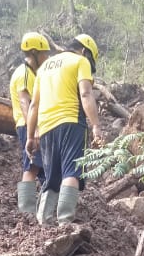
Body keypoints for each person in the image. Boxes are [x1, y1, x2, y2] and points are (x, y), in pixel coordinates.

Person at [25, 33, 103, 225]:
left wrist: (30, 136)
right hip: (71, 122)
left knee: (51, 177)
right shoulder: (79, 61)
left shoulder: (44, 67)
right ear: (84, 51)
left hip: (46, 128)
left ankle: (43, 221)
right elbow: (85, 94)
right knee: (72, 172)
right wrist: (96, 127)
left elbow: (34, 105)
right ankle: (65, 222)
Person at [9, 31, 51, 217]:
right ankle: (26, 211)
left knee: (40, 167)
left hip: (31, 125)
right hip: (28, 125)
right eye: (43, 53)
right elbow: (25, 102)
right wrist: (33, 132)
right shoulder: (24, 74)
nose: (46, 57)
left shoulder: (32, 73)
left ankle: (44, 207)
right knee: (32, 166)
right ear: (34, 53)